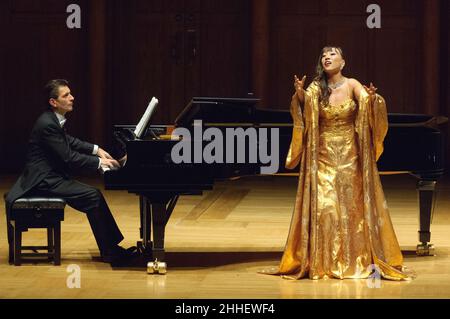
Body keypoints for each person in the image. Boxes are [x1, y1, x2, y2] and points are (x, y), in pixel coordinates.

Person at [261, 46, 413, 280]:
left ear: (342, 62)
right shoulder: (315, 88)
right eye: (323, 55)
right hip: (322, 155)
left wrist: (373, 100)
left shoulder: (352, 84)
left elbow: (368, 105)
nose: (327, 58)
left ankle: (356, 260)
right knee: (326, 208)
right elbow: (304, 109)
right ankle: (324, 262)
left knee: (352, 210)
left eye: (332, 54)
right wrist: (300, 94)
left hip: (351, 156)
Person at [5, 79, 134, 265]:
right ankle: (111, 252)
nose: (72, 98)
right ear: (53, 102)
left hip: (50, 177)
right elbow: (68, 157)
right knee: (93, 196)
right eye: (66, 95)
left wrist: (96, 149)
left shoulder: (52, 120)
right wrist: (99, 162)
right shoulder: (47, 124)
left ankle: (111, 249)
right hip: (44, 180)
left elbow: (69, 141)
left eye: (70, 93)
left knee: (93, 196)